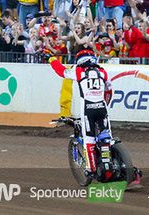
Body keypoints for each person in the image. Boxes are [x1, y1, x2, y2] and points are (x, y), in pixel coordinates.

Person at [48, 49, 141, 187]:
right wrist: (104, 103)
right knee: (106, 138)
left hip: (88, 110)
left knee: (89, 140)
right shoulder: (102, 72)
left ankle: (90, 170)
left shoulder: (78, 70)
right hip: (102, 109)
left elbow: (61, 71)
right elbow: (109, 90)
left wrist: (52, 60)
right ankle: (113, 162)